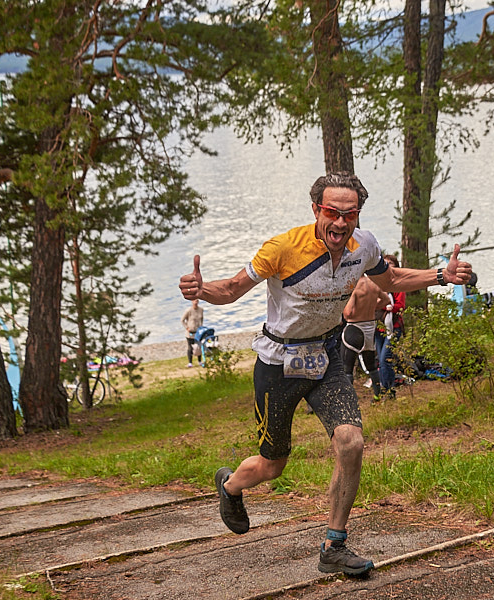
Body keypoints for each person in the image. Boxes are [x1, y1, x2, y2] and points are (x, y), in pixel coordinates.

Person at [178, 171, 472, 577]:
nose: (340, 222)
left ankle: (334, 544)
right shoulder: (283, 248)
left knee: (351, 443)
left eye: (349, 214)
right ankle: (230, 485)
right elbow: (230, 289)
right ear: (317, 210)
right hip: (278, 363)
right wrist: (199, 289)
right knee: (272, 464)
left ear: (357, 215)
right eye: (332, 212)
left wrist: (440, 275)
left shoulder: (363, 246)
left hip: (327, 356)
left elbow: (392, 278)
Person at [341, 274, 389, 400]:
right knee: (371, 365)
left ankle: (348, 400)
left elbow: (348, 313)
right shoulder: (373, 284)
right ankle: (378, 395)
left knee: (347, 367)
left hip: (355, 327)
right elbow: (386, 300)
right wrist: (372, 306)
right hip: (370, 326)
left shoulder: (354, 287)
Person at [374, 255, 406, 400]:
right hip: (378, 328)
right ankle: (384, 388)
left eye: (391, 263)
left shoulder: (399, 286)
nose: (388, 266)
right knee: (380, 361)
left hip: (393, 327)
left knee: (385, 359)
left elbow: (400, 306)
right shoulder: (378, 285)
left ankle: (388, 390)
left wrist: (388, 307)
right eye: (386, 263)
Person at [181, 298, 204, 367]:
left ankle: (200, 361)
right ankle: (190, 362)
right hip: (190, 332)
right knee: (190, 347)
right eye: (194, 301)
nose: (195, 302)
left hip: (198, 332)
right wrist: (187, 328)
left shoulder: (201, 310)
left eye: (197, 301)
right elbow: (182, 320)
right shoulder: (188, 310)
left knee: (198, 347)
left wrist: (201, 326)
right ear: (192, 302)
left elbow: (202, 319)